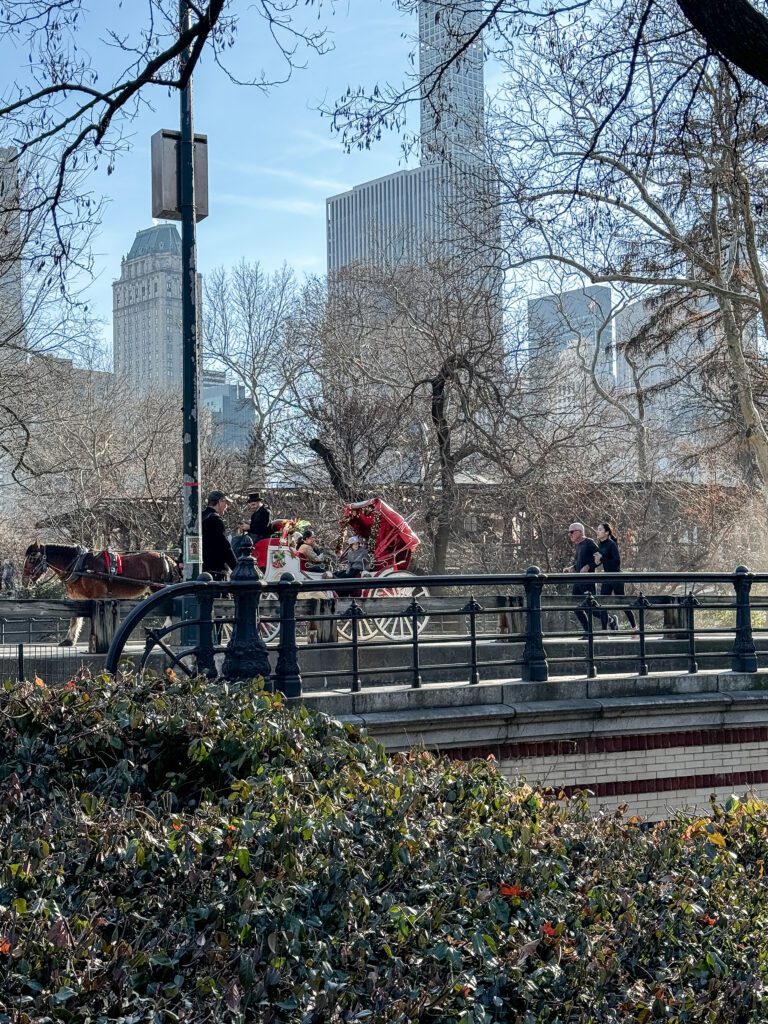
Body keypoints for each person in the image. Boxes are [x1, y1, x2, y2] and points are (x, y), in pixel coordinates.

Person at [565, 521, 608, 635]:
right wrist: (572, 568)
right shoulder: (578, 546)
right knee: (576, 607)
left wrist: (589, 566)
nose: (570, 535)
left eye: (572, 532)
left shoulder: (589, 542)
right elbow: (580, 562)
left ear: (579, 532)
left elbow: (600, 557)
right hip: (578, 581)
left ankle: (611, 620)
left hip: (588, 581)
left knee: (592, 609)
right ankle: (588, 632)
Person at [595, 522, 636, 629]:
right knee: (602, 604)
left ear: (607, 532)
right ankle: (604, 631)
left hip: (616, 577)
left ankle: (635, 628)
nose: (597, 532)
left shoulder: (611, 544)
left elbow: (616, 562)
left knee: (623, 603)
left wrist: (602, 559)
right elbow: (602, 559)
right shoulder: (600, 544)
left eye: (600, 529)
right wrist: (597, 561)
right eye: (597, 529)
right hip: (607, 577)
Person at [201, 489, 237, 580]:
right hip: (215, 572)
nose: (226, 507)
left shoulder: (199, 517)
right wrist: (237, 569)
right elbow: (224, 547)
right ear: (220, 502)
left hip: (201, 571)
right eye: (226, 503)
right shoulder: (215, 519)